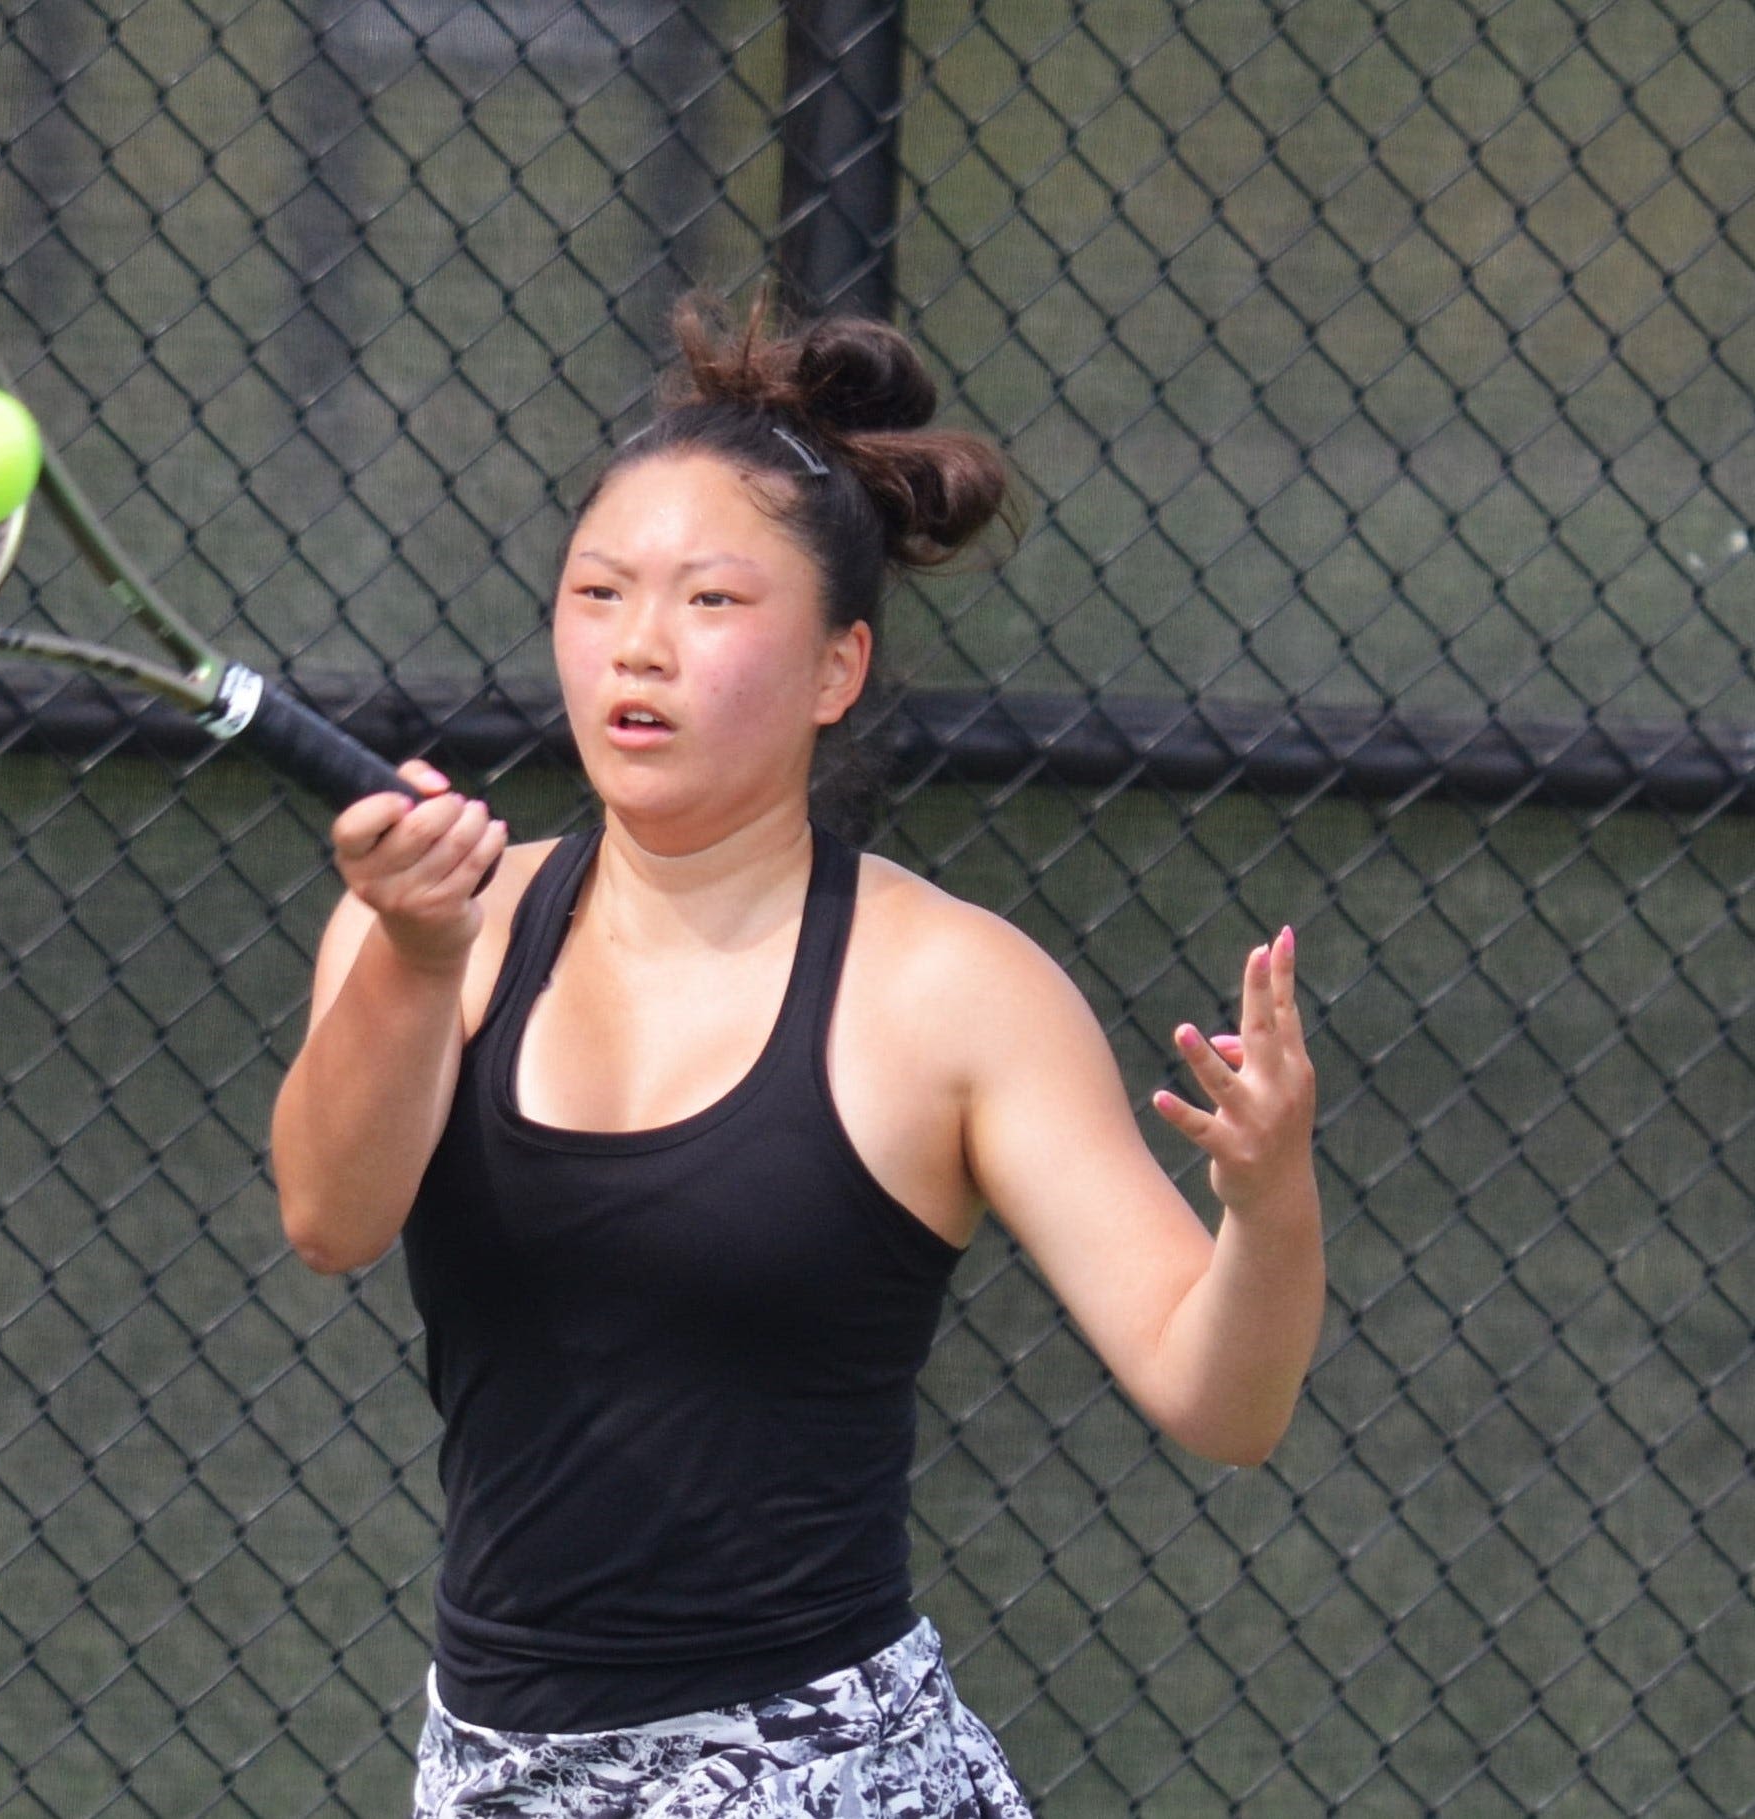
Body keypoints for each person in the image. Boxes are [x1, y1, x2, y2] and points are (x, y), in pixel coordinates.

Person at [269, 297, 1325, 1817]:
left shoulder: (952, 989)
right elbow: (328, 1216)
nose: (641, 641)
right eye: (601, 590)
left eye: (711, 602)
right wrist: (419, 958)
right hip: (495, 1775)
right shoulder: (442, 922)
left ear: (837, 669)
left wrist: (1270, 1196)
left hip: (839, 1780)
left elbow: (1225, 1403)